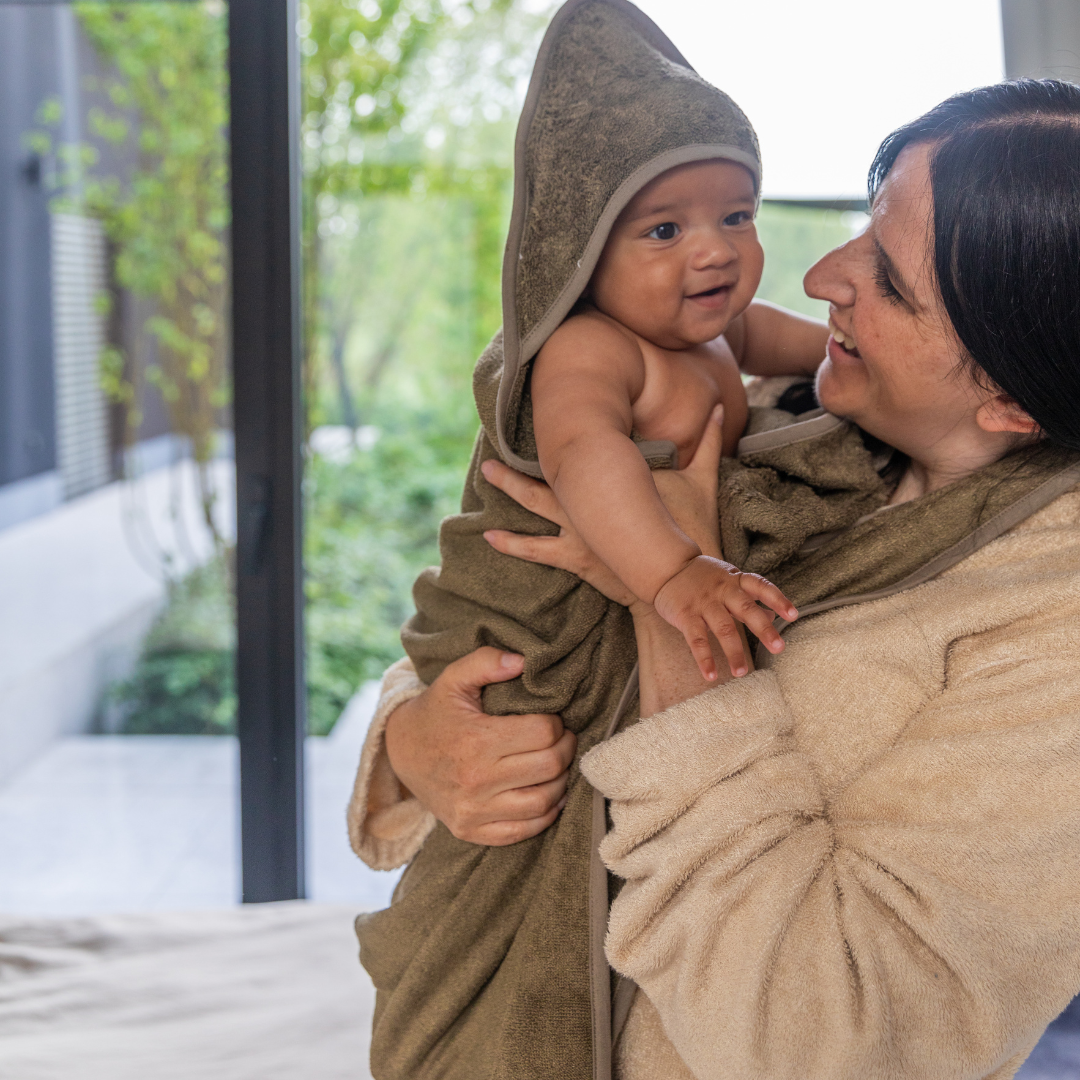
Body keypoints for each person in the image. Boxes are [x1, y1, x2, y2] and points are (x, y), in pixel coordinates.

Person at [350, 75, 1080, 1080]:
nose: (823, 274)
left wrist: (666, 606)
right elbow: (515, 609)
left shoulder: (1054, 632)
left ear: (1009, 394)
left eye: (891, 280)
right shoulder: (786, 423)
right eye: (862, 230)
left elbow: (837, 1046)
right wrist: (417, 740)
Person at [530, 157, 823, 680]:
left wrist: (858, 349)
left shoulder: (715, 331)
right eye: (665, 230)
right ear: (586, 253)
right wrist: (674, 569)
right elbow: (581, 449)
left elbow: (802, 344)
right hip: (645, 569)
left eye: (737, 216)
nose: (717, 251)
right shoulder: (593, 346)